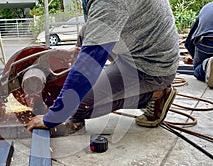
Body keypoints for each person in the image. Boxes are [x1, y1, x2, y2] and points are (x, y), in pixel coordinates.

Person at [27, 0, 179, 133]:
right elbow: (94, 26)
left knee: (78, 106)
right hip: (135, 48)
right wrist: (78, 56)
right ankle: (73, 83)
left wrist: (54, 117)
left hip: (151, 67)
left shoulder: (110, 3)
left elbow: (88, 66)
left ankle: (156, 94)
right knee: (87, 32)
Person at [185, 2, 213, 88]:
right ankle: (208, 64)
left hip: (206, 41)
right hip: (207, 39)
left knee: (197, 70)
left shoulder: (207, 6)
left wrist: (194, 56)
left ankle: (206, 64)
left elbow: (190, 38)